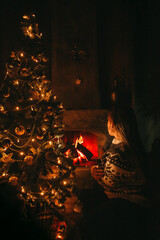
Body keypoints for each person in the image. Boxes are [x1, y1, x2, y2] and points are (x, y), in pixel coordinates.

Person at [67, 105, 151, 240]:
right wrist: (95, 167)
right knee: (84, 196)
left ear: (113, 124)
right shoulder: (119, 144)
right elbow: (106, 167)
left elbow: (108, 184)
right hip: (121, 197)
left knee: (84, 225)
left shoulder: (120, 152)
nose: (107, 123)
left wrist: (95, 174)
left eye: (108, 120)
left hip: (130, 204)